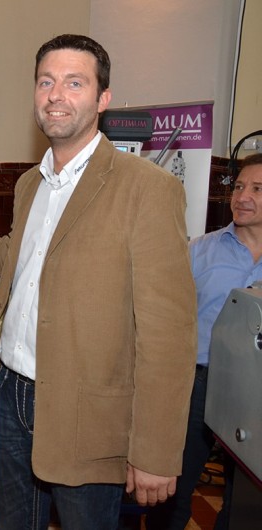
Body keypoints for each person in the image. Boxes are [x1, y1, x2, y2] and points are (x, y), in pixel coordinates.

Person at [0, 34, 196, 529]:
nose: (56, 95)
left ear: (103, 99)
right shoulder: (30, 183)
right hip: (11, 393)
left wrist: (155, 451)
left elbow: (169, 334)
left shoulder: (148, 188)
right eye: (46, 82)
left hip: (86, 414)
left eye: (74, 83)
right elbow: (12, 257)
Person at [145, 153, 262, 529]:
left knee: (246, 501)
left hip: (256, 394)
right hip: (196, 385)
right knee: (171, 490)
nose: (242, 196)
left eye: (257, 189)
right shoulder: (199, 251)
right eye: (239, 187)